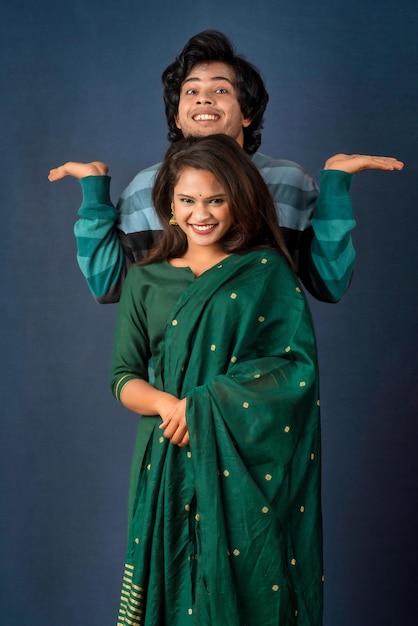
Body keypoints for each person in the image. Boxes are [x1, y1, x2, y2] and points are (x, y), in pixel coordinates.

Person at [110, 133, 323, 625]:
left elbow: (295, 367)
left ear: (238, 201)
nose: (199, 213)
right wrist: (171, 407)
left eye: (215, 200)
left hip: (244, 461)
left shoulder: (266, 271)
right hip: (165, 454)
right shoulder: (146, 278)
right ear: (168, 203)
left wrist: (206, 404)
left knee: (247, 587)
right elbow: (123, 376)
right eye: (186, 199)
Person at [48, 30, 403, 305]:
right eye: (191, 92)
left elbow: (330, 285)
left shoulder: (290, 183)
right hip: (175, 390)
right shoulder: (146, 188)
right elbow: (109, 286)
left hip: (268, 382)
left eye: (221, 90)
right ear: (177, 115)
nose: (204, 98)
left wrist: (336, 188)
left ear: (246, 113)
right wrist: (95, 197)